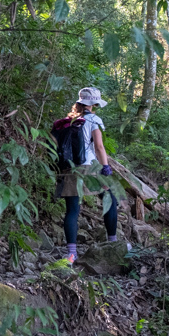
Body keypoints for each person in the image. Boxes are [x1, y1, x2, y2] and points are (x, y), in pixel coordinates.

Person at [55, 87, 119, 263]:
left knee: (72, 210)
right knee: (109, 199)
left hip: (69, 168)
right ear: (95, 103)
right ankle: (113, 242)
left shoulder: (69, 120)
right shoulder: (94, 120)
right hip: (90, 168)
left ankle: (71, 254)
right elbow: (99, 146)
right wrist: (105, 166)